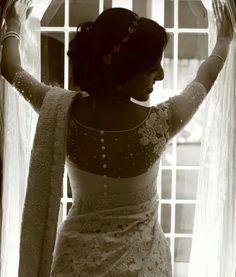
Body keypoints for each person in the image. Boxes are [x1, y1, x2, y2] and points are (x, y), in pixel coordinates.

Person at [1, 0, 234, 276]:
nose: (160, 75)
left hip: (74, 261)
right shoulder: (161, 122)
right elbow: (204, 78)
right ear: (123, 74)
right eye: (152, 69)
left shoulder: (62, 111)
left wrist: (13, 25)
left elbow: (10, 68)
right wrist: (224, 39)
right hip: (143, 265)